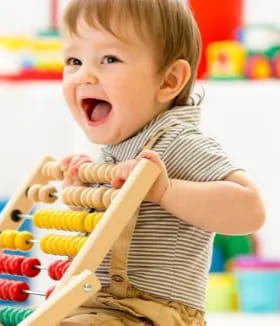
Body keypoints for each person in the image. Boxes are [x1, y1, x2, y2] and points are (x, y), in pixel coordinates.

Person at [56, 0, 265, 325]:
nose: (84, 76)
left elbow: (251, 211)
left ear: (168, 80)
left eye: (109, 59)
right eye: (74, 60)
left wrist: (165, 190)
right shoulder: (114, 151)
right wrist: (80, 200)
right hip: (96, 306)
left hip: (154, 312)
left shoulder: (175, 142)